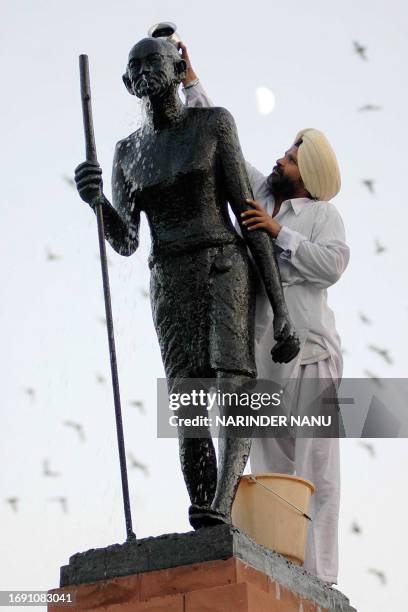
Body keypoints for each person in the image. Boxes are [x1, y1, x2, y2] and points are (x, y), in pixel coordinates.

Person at [74, 37, 300, 531]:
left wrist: (281, 311)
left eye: (154, 60)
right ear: (127, 83)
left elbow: (248, 216)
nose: (145, 70)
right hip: (169, 276)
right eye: (135, 65)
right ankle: (204, 509)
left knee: (233, 385)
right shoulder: (127, 153)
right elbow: (128, 240)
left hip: (223, 265)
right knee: (187, 398)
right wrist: (98, 203)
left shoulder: (214, 124)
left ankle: (221, 501)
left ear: (178, 70)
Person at [180, 43, 350, 585]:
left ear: (309, 171)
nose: (281, 160)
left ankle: (320, 580)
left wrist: (279, 234)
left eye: (292, 157)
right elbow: (227, 149)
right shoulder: (263, 194)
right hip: (264, 363)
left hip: (311, 358)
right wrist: (191, 83)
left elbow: (332, 265)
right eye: (285, 152)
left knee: (316, 474)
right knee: (271, 472)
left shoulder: (322, 216)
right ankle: (279, 568)